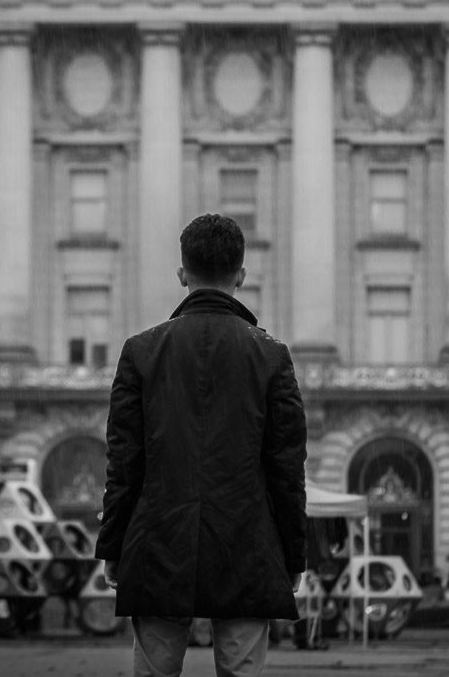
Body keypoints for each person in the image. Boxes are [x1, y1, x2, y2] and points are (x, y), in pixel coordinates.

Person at [95, 214, 308, 677]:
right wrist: (293, 553)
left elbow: (124, 465)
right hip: (247, 546)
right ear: (241, 276)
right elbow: (287, 470)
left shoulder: (141, 351)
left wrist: (113, 545)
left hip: (158, 542)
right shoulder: (271, 355)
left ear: (182, 274)